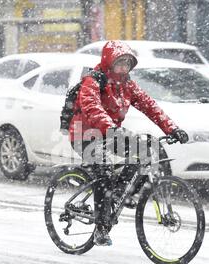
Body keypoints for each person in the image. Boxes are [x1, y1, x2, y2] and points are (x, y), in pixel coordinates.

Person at [69, 40, 188, 246]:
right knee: (104, 169)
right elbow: (92, 107)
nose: (124, 68)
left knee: (145, 151)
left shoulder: (127, 85)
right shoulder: (93, 81)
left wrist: (172, 128)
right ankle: (101, 227)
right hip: (85, 134)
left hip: (110, 133)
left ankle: (121, 194)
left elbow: (150, 107)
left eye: (127, 64)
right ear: (109, 62)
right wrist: (111, 128)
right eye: (120, 63)